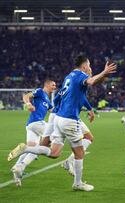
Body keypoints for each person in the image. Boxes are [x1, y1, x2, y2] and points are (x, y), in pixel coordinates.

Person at [8, 55, 116, 191]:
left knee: (54, 153)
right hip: (70, 119)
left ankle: (26, 149)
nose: (90, 68)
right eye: (89, 65)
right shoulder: (80, 76)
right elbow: (91, 81)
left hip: (58, 118)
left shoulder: (69, 77)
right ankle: (77, 183)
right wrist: (104, 72)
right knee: (79, 153)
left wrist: (88, 109)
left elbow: (61, 97)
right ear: (84, 67)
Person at [11, 80, 56, 186]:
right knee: (49, 142)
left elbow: (54, 111)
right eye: (53, 85)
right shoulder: (40, 92)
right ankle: (22, 165)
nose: (55, 87)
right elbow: (26, 96)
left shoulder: (48, 101)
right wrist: (28, 104)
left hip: (31, 126)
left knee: (32, 148)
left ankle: (17, 169)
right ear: (47, 85)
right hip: (37, 123)